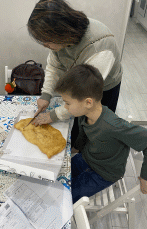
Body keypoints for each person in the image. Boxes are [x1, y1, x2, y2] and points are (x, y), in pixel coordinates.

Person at [27, 0, 122, 145]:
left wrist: (53, 115)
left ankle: (89, 151)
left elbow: (82, 95)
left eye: (47, 41)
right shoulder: (62, 38)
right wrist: (46, 94)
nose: (45, 45)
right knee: (77, 120)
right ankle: (77, 145)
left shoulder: (100, 47)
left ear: (60, 32)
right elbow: (54, 65)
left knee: (96, 125)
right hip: (82, 83)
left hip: (105, 86)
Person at [54, 64, 147, 204]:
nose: (65, 107)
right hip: (86, 158)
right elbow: (83, 135)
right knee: (55, 177)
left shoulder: (113, 125)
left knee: (65, 198)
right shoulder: (83, 113)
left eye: (67, 103)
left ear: (88, 102)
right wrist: (74, 149)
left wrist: (145, 177)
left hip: (104, 173)